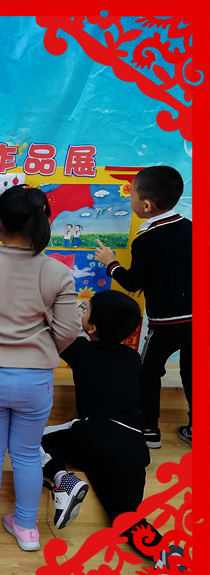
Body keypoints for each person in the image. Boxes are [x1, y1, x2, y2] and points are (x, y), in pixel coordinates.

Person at [0, 185, 80, 552]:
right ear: (44, 220)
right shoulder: (57, 272)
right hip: (36, 379)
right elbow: (69, 330)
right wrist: (42, 351)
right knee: (27, 453)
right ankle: (26, 528)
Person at [40, 290, 186, 574]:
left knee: (29, 437)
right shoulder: (132, 358)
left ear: (92, 327)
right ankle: (168, 557)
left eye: (86, 309)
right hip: (134, 445)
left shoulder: (80, 350)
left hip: (97, 431)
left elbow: (53, 328)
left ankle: (63, 481)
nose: (82, 311)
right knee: (126, 517)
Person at [95, 165, 191, 449]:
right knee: (194, 373)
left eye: (131, 196)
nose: (130, 201)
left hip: (165, 324)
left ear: (146, 206)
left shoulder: (146, 239)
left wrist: (110, 262)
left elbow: (132, 282)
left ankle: (149, 429)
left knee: (148, 372)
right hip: (197, 320)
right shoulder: (192, 229)